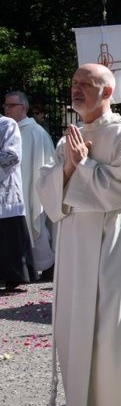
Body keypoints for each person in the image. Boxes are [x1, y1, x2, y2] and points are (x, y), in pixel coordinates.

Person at [36, 63, 121, 406]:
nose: (77, 89)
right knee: (74, 320)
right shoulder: (65, 138)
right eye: (74, 83)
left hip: (111, 238)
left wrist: (82, 166)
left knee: (106, 320)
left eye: (87, 84)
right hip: (74, 240)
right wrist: (67, 167)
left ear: (108, 92)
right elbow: (50, 195)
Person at [4, 91, 56, 274]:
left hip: (31, 189)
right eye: (5, 105)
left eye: (11, 105)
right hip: (11, 190)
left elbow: (47, 163)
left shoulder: (36, 132)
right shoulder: (7, 129)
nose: (6, 109)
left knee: (35, 223)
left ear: (23, 108)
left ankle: (45, 265)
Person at [1, 113, 35, 293]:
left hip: (5, 191)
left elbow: (12, 155)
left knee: (9, 235)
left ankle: (14, 277)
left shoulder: (6, 124)